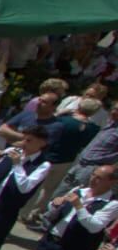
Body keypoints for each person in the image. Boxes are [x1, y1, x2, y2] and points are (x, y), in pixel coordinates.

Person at [27, 97, 107, 227]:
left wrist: (59, 113)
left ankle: (25, 212)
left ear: (79, 106)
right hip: (66, 160)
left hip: (49, 155)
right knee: (50, 189)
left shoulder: (64, 120)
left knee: (36, 185)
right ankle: (35, 213)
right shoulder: (93, 129)